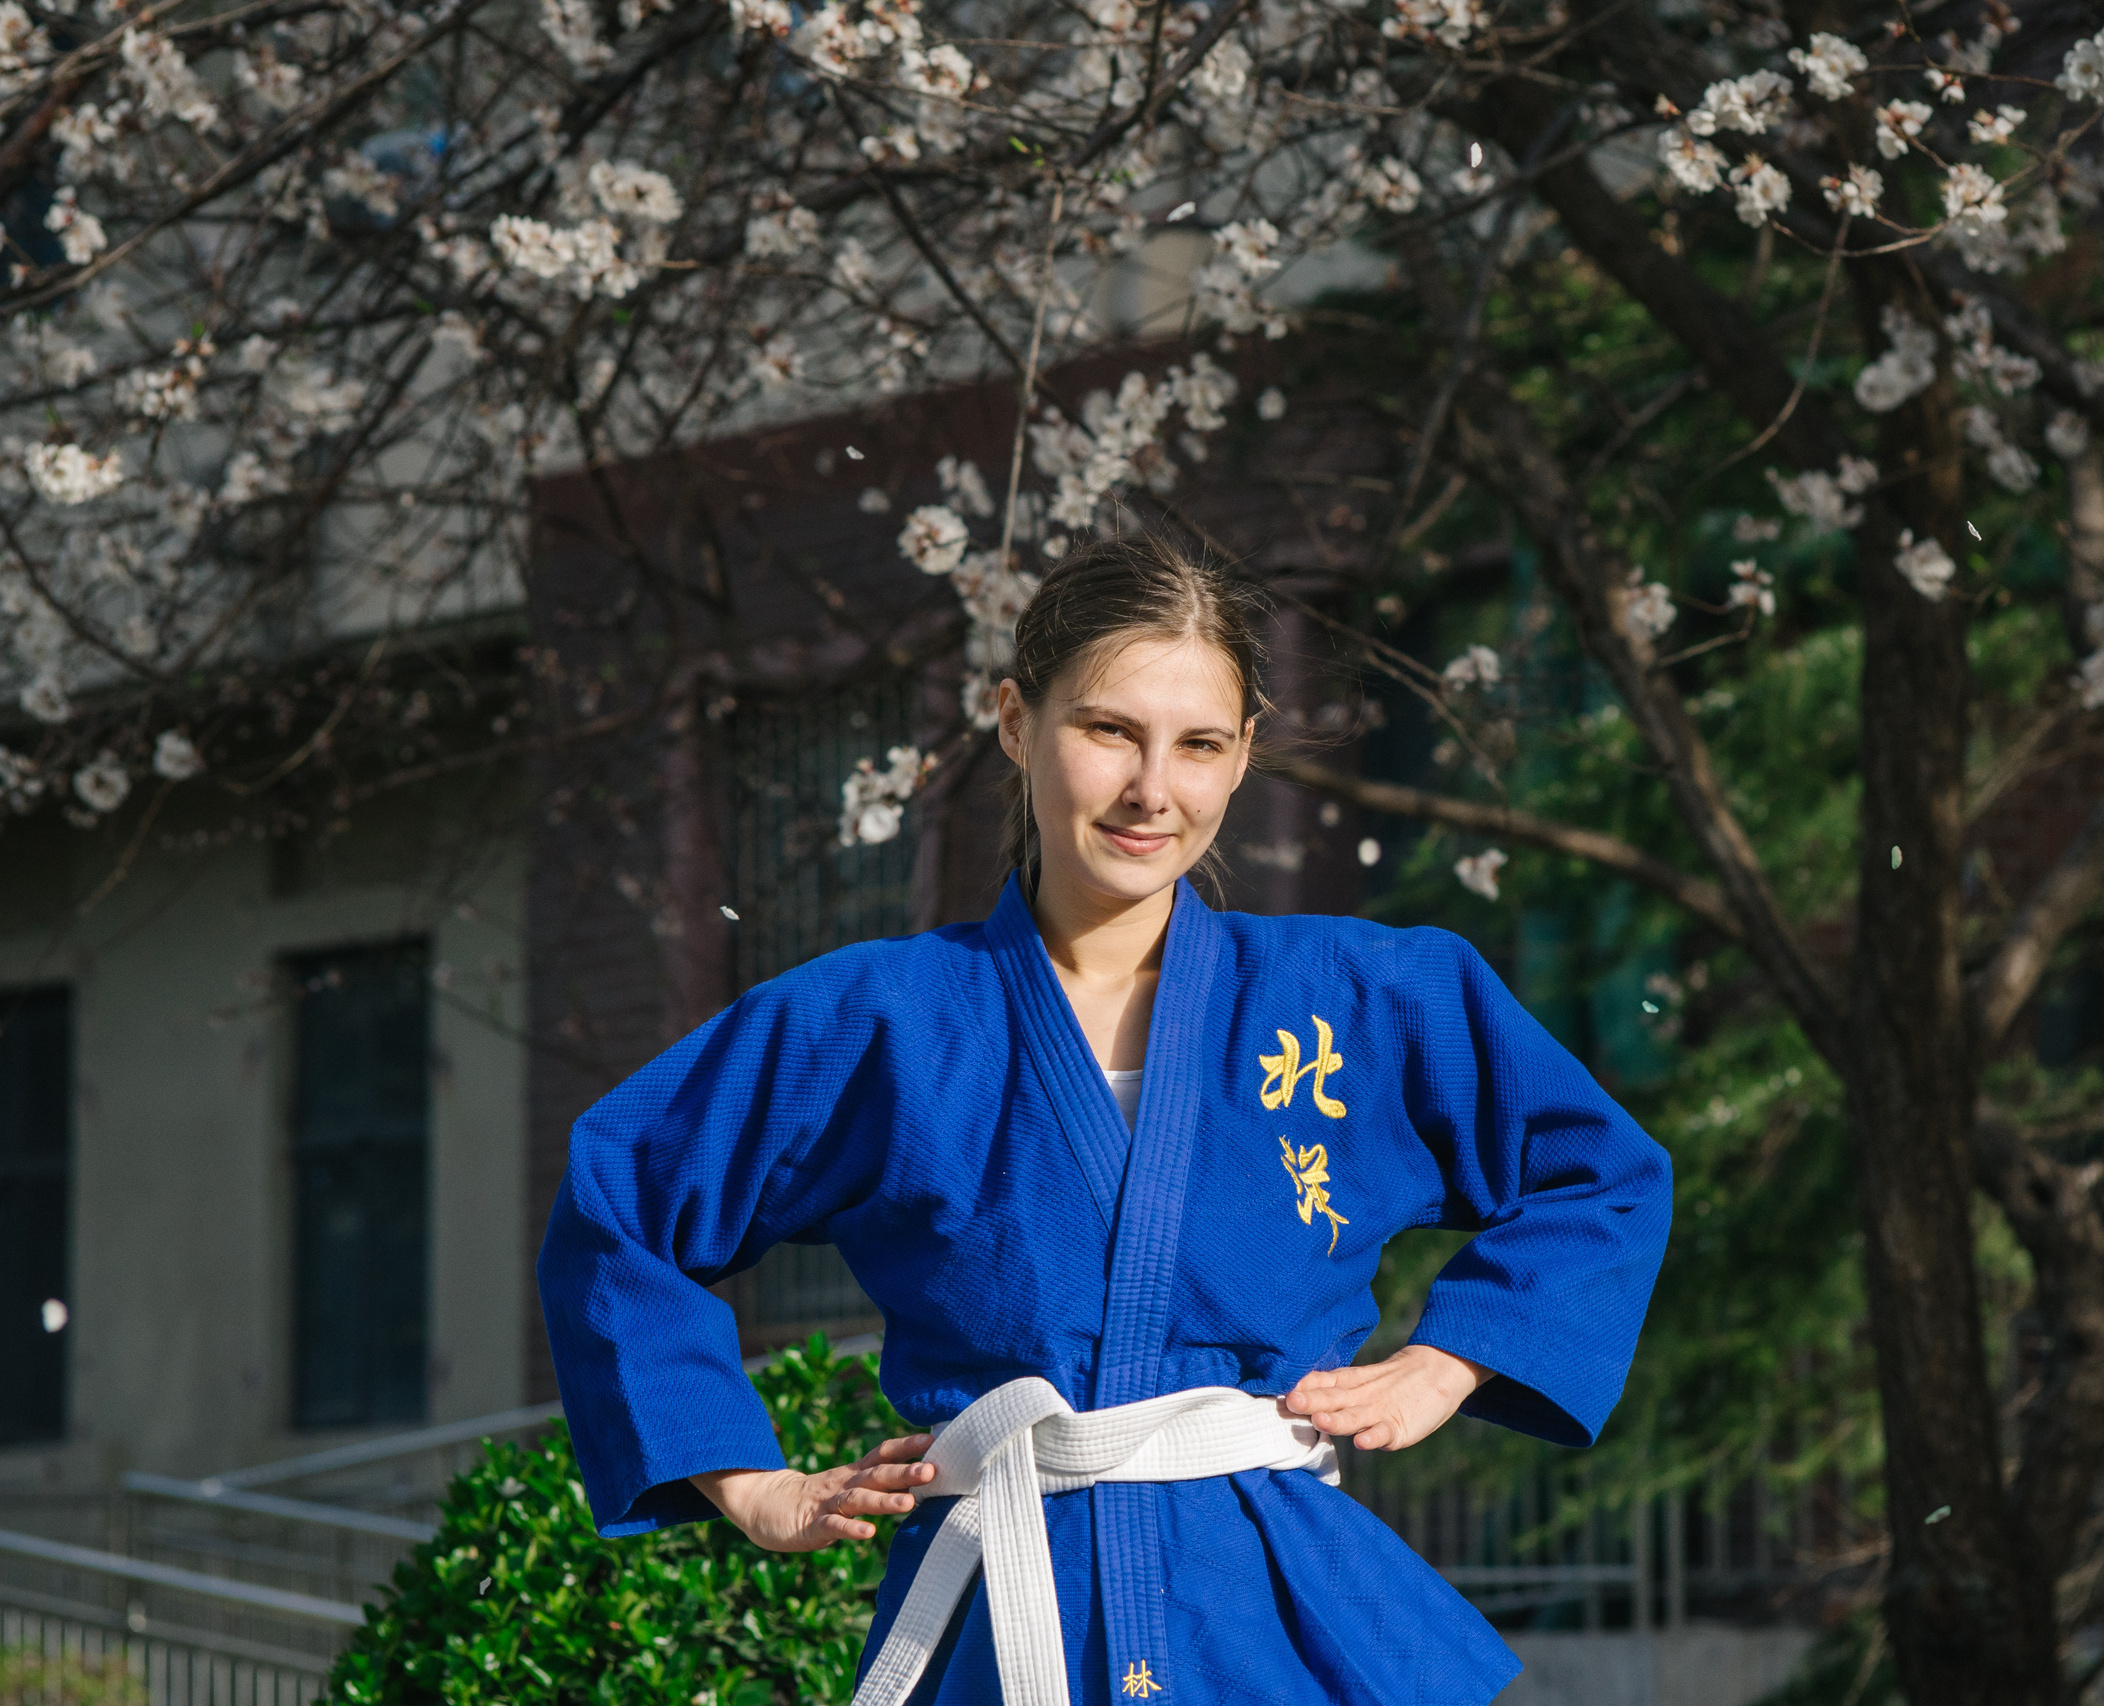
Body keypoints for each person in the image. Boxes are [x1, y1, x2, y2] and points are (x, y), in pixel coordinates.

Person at [537, 531, 1674, 1706]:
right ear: (1017, 722)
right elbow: (621, 1195)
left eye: (1198, 744)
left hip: (1282, 1624)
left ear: (1243, 756)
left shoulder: (1371, 996)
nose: (1152, 790)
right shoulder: (878, 1016)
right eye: (1108, 730)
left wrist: (1444, 1363)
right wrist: (748, 1481)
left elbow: (1599, 1176)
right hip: (1003, 1614)